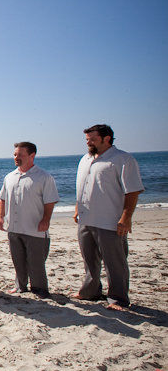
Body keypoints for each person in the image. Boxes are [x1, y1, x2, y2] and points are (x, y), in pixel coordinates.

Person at [73, 124, 143, 311]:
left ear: (107, 138)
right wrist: (77, 209)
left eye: (92, 139)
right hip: (86, 220)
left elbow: (132, 191)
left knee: (115, 262)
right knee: (89, 259)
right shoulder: (85, 159)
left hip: (110, 221)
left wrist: (126, 218)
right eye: (87, 139)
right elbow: (83, 186)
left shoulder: (122, 159)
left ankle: (118, 298)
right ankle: (91, 291)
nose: (88, 142)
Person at [0, 142, 59, 298]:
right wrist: (0, 217)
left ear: (32, 155)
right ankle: (20, 287)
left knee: (36, 261)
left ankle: (39, 289)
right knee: (18, 259)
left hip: (34, 227)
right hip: (14, 227)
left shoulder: (44, 177)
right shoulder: (10, 177)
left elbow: (50, 201)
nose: (16, 157)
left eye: (20, 155)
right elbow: (3, 198)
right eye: (15, 155)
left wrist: (46, 220)